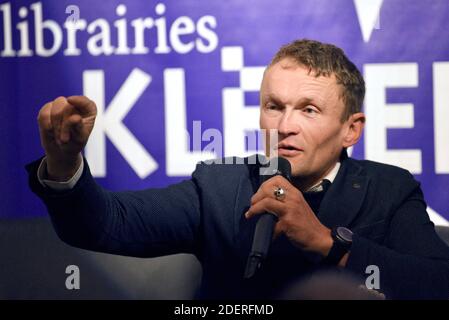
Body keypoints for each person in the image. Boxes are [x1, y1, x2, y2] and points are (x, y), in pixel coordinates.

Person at [27, 39, 449, 299]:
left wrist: (327, 243)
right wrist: (65, 166)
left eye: (308, 109)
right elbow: (104, 225)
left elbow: (437, 283)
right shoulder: (219, 185)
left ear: (350, 130)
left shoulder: (389, 189)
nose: (285, 126)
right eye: (274, 107)